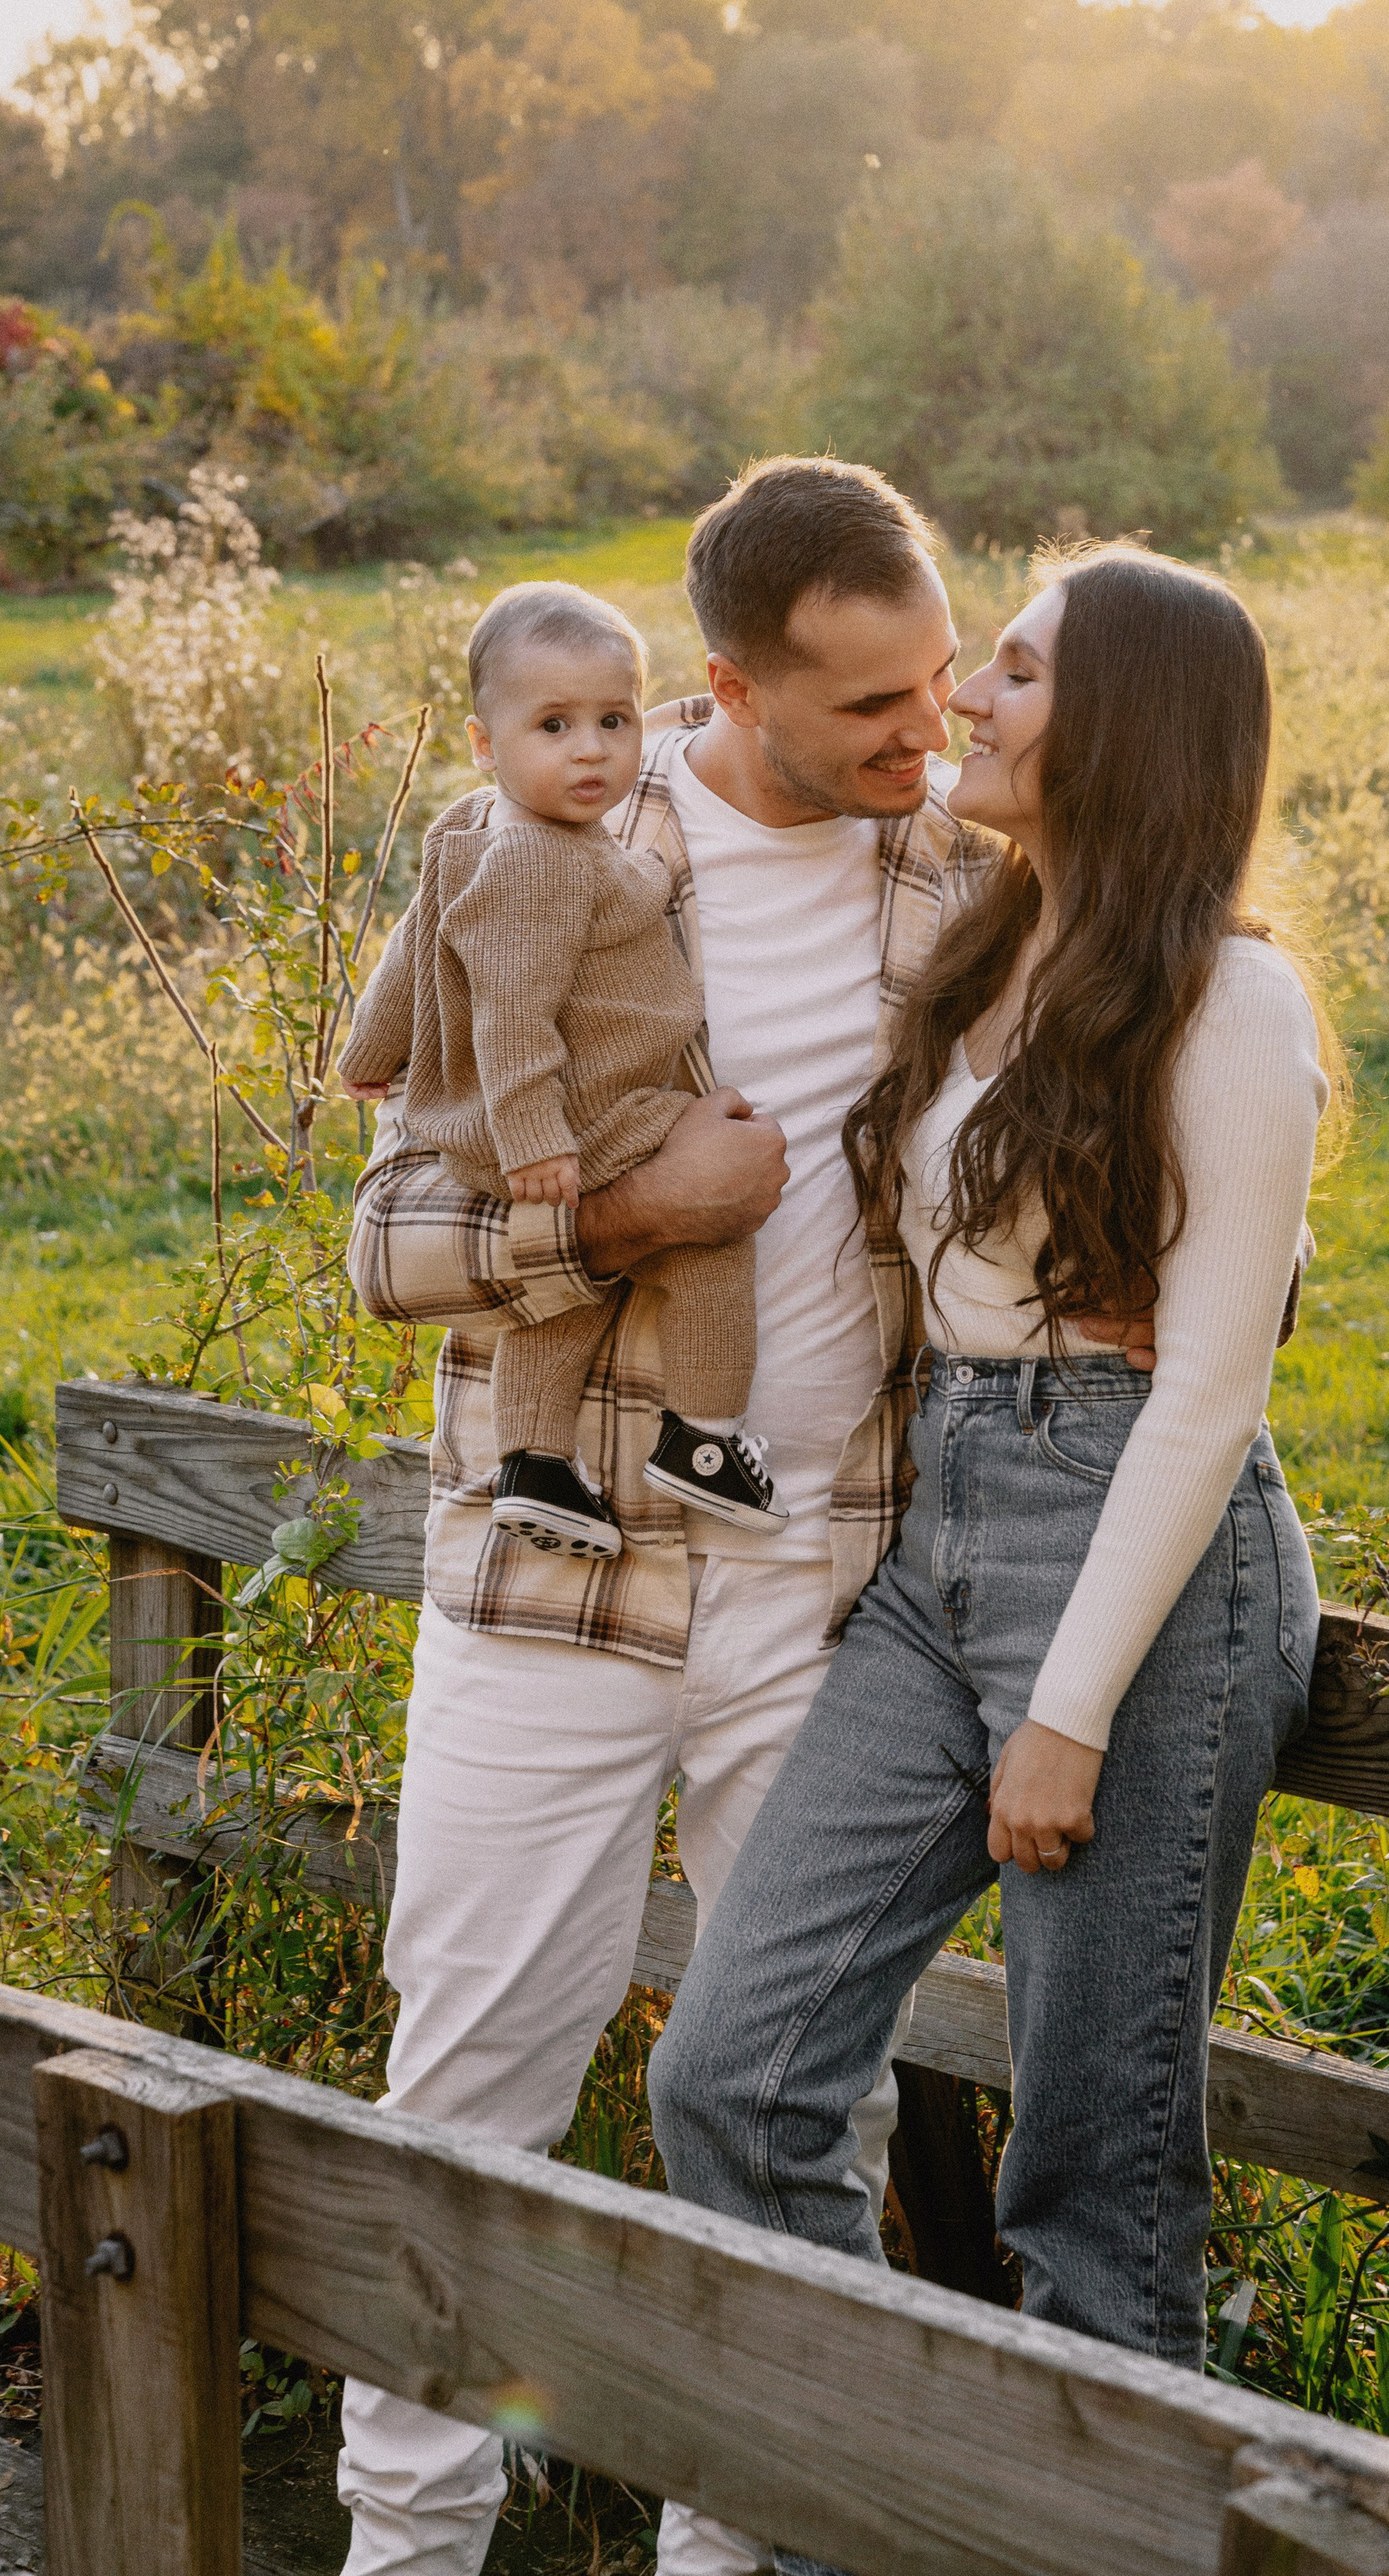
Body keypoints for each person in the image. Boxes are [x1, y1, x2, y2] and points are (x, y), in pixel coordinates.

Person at [336, 457, 1006, 2576]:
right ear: (728, 684)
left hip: (835, 1596)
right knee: (468, 2092)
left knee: (799, 2110)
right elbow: (387, 1244)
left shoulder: (968, 881)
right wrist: (634, 1213)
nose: (926, 734)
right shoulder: (542, 846)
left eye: (938, 681)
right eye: (871, 706)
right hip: (560, 1578)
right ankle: (406, 2549)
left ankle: (736, 2550)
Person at [647, 549, 1337, 2571]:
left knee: (1094, 2200)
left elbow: (1207, 1391)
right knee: (734, 2075)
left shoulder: (1232, 996)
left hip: (1140, 1574)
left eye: (1013, 672)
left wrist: (1071, 1712)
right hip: (944, 1531)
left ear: (1121, 725)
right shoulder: (993, 936)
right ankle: (868, 2524)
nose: (963, 700)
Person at [338, 579, 783, 1557]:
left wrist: (370, 1051)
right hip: (587, 1115)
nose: (590, 750)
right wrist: (536, 1139)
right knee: (715, 1241)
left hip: (530, 1124)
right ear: (483, 741)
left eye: (613, 721)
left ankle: (534, 1465)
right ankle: (703, 1439)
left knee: (570, 1286)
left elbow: (415, 951)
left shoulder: (469, 828)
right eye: (553, 726)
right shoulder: (544, 862)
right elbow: (510, 1012)